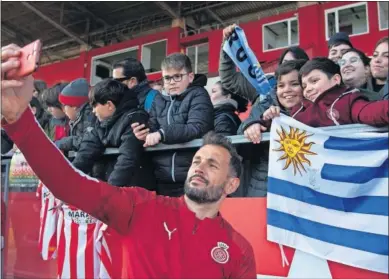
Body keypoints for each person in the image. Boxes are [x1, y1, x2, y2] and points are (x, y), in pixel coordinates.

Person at [1, 45, 256, 277]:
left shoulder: (239, 250)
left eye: (212, 164)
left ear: (232, 184)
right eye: (197, 160)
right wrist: (19, 121)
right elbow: (68, 184)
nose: (199, 167)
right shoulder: (141, 207)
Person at [133, 53, 214, 197]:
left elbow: (196, 128)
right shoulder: (158, 100)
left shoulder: (199, 94)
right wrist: (143, 134)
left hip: (193, 179)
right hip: (161, 179)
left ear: (190, 77)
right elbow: (152, 128)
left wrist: (161, 134)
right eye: (167, 78)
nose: (171, 82)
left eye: (177, 76)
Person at [238, 60, 306, 197]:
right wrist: (254, 126)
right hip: (264, 187)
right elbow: (242, 147)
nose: (287, 90)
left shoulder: (318, 108)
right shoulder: (264, 106)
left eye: (294, 84)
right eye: (281, 85)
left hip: (303, 187)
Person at [264, 57, 389, 127]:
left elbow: (370, 111)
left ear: (335, 79)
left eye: (314, 81)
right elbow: (280, 128)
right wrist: (267, 119)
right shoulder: (298, 109)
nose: (308, 88)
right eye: (304, 85)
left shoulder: (347, 100)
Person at [71, 79, 149, 187]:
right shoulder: (99, 123)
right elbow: (85, 154)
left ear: (109, 105)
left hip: (132, 190)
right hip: (110, 188)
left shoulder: (135, 119)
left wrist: (110, 191)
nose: (93, 111)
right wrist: (68, 179)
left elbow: (127, 159)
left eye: (95, 106)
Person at [54, 78, 96, 153]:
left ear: (74, 106)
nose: (63, 110)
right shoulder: (76, 119)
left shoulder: (89, 115)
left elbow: (86, 141)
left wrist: (64, 142)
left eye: (65, 105)